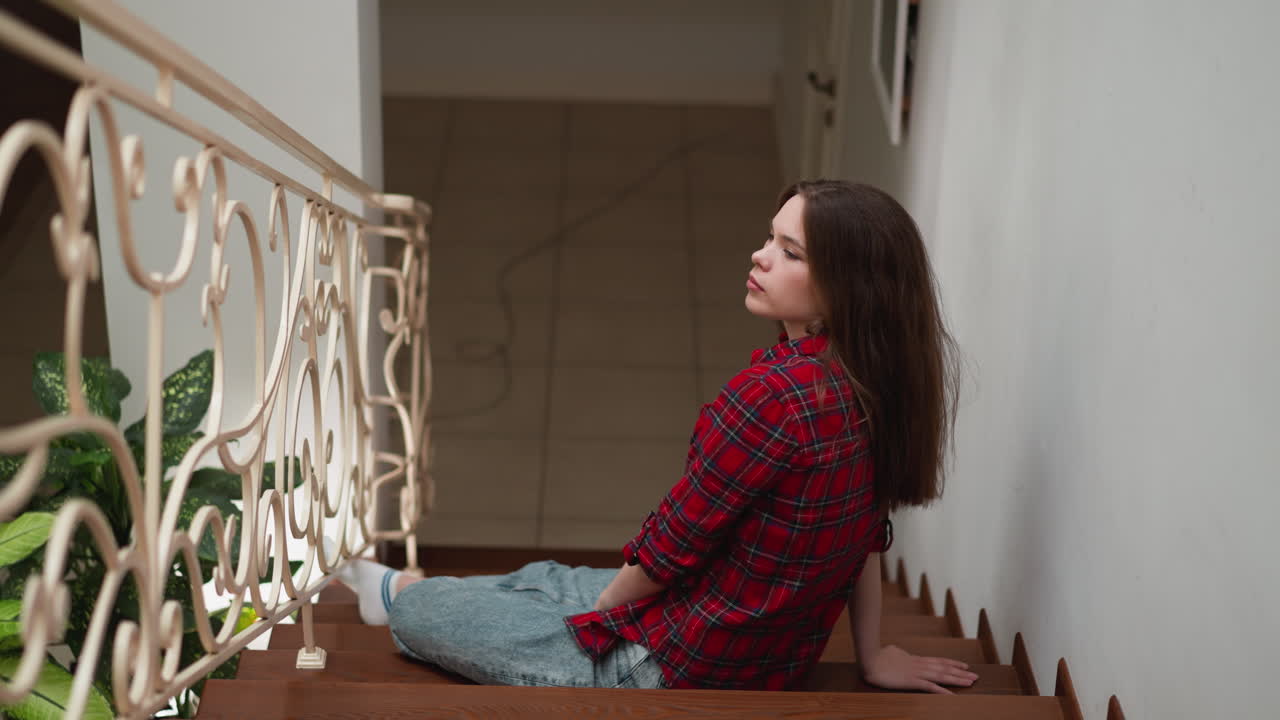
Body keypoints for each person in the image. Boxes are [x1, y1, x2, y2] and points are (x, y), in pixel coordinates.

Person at [331, 179, 976, 693]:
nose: (759, 255)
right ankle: (399, 590)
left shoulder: (773, 400)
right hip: (758, 650)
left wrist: (599, 627)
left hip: (673, 666)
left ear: (847, 288)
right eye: (769, 238)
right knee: (547, 573)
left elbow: (668, 548)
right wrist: (873, 656)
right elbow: (864, 539)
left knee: (423, 619)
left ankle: (401, 598)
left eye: (790, 252)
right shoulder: (877, 383)